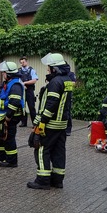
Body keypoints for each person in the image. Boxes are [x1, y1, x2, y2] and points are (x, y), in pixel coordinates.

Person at [27, 53, 74, 190]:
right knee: (59, 151)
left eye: (49, 67)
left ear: (54, 68)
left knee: (42, 149)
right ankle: (57, 180)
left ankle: (43, 181)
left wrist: (41, 121)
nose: (47, 70)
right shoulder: (67, 80)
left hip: (51, 124)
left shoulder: (55, 82)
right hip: (62, 124)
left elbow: (51, 104)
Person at [0, 61, 25, 168]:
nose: (2, 74)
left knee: (9, 138)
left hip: (10, 117)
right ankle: (1, 156)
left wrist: (8, 117)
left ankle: (12, 161)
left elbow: (15, 102)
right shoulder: (8, 82)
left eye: (4, 72)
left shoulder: (16, 85)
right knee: (0, 136)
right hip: (2, 116)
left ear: (9, 74)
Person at [18, 57, 38, 128]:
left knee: (31, 107)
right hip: (22, 90)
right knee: (22, 107)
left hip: (29, 91)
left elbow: (34, 80)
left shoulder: (31, 70)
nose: (22, 64)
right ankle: (24, 122)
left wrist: (25, 83)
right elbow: (18, 79)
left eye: (23, 62)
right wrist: (22, 85)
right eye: (21, 62)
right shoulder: (19, 71)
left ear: (26, 62)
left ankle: (34, 123)